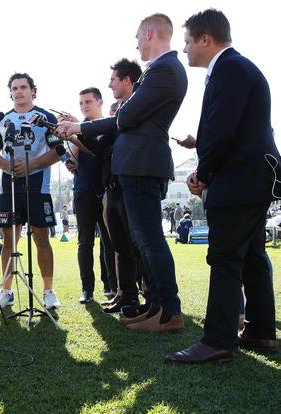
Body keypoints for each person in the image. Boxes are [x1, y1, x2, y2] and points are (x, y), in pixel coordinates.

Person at [58, 13, 187, 331]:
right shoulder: (159, 71)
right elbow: (126, 118)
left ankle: (169, 311)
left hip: (143, 166)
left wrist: (78, 126)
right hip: (135, 166)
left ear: (150, 34)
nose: (136, 44)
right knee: (143, 241)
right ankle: (157, 306)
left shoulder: (164, 69)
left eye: (137, 38)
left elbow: (126, 117)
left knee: (150, 240)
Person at [166, 9, 278, 363]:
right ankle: (260, 332)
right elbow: (235, 128)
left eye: (186, 41)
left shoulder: (229, 69)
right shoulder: (238, 69)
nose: (184, 49)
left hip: (240, 180)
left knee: (226, 257)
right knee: (252, 255)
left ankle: (217, 340)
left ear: (205, 39)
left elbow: (224, 131)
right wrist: (201, 146)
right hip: (254, 178)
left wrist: (204, 173)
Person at [0, 72, 62, 309]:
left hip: (38, 184)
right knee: (9, 240)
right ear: (10, 92)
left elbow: (58, 151)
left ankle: (48, 291)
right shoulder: (2, 120)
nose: (18, 91)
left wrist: (32, 164)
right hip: (9, 186)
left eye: (23, 87)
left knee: (41, 237)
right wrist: (9, 166)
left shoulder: (46, 117)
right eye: (14, 88)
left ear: (32, 90)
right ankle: (6, 291)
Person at [100, 58, 143, 314]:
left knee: (140, 245)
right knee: (121, 247)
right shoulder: (121, 113)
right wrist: (72, 134)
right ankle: (126, 295)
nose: (109, 84)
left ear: (127, 81)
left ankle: (151, 296)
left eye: (113, 80)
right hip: (113, 188)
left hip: (133, 185)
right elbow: (99, 149)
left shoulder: (138, 109)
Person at [67, 87, 116, 304]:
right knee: (85, 242)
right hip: (83, 191)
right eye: (81, 103)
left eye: (88, 101)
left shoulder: (110, 126)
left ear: (100, 102)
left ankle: (111, 285)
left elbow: (101, 153)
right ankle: (87, 289)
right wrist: (69, 158)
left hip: (106, 190)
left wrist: (77, 133)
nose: (84, 106)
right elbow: (73, 160)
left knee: (109, 241)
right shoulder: (76, 130)